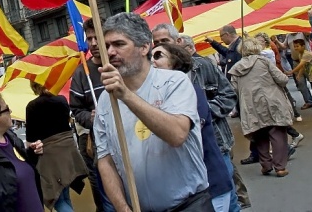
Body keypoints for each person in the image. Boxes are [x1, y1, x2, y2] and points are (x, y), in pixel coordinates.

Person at [93, 13, 214, 212]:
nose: (110, 52)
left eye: (119, 44)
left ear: (144, 47)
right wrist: (123, 208)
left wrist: (127, 96)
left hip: (189, 206)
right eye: (106, 46)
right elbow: (105, 160)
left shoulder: (174, 82)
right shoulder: (106, 100)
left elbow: (177, 134)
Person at [152, 42, 234, 212]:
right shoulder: (154, 96)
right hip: (180, 190)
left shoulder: (191, 91)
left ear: (175, 62)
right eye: (149, 57)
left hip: (210, 184)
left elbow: (177, 134)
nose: (151, 61)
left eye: (158, 56)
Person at [180, 33, 247, 212]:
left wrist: (204, 112)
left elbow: (228, 95)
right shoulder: (161, 79)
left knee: (226, 190)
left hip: (215, 141)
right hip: (188, 150)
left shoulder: (203, 66)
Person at [229, 37, 294, 178]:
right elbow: (282, 79)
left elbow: (232, 90)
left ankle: (266, 165)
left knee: (259, 135)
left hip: (250, 105)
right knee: (277, 134)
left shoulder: (236, 68)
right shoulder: (264, 62)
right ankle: (280, 167)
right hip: (272, 101)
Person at [69, 18, 114, 212]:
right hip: (100, 147)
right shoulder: (81, 73)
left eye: (98, 37)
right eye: (90, 39)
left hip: (130, 142)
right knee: (106, 197)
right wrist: (90, 118)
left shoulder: (119, 63)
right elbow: (76, 110)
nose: (94, 43)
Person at [25, 82, 88, 212]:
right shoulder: (61, 100)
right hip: (68, 152)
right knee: (65, 193)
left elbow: (31, 138)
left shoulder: (32, 106)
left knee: (57, 199)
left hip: (50, 156)